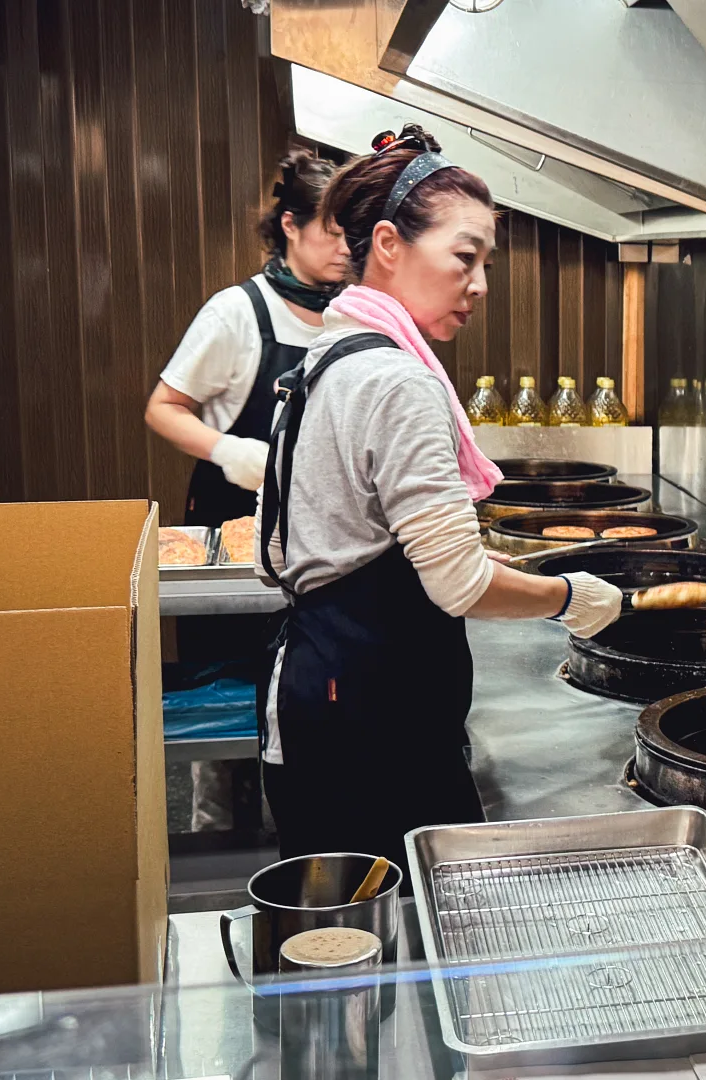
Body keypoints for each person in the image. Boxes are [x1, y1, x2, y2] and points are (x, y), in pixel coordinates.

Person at [255, 125, 622, 871]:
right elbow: (457, 581)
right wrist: (571, 597)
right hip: (372, 727)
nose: (481, 284)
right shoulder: (397, 380)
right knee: (403, 946)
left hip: (322, 697)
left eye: (487, 262)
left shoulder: (332, 352)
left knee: (346, 953)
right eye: (465, 257)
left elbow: (283, 552)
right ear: (388, 245)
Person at [143, 149, 351, 832]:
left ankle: (293, 847)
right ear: (289, 225)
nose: (345, 249)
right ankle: (217, 832)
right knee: (226, 701)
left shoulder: (355, 316)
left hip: (318, 551)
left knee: (302, 709)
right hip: (235, 541)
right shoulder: (237, 313)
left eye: (355, 231)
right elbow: (163, 407)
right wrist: (231, 450)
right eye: (330, 231)